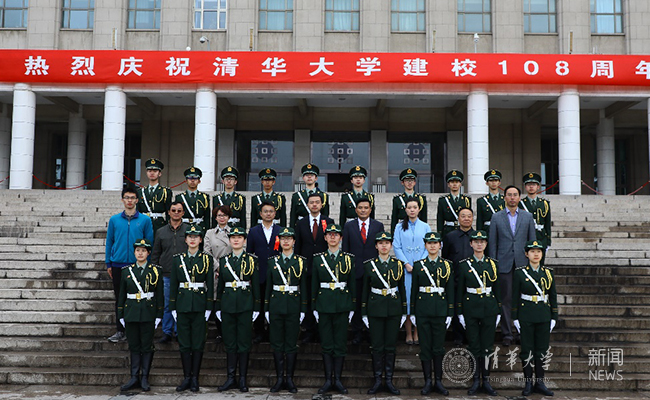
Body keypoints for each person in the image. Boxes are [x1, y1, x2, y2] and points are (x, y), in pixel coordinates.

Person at [488, 185, 536, 347]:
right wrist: (494, 264)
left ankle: (522, 332)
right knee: (506, 300)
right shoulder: (496, 217)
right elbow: (493, 243)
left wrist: (532, 264)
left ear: (519, 198)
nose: (512, 197)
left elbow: (532, 242)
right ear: (504, 198)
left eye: (515, 195)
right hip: (504, 264)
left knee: (523, 299)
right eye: (509, 195)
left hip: (523, 264)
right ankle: (507, 333)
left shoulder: (528, 217)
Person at [215, 226, 260, 393]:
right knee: (230, 342)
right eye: (233, 237)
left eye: (239, 237)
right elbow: (220, 287)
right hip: (228, 305)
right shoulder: (224, 261)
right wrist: (218, 306)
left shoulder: (251, 260)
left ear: (244, 241)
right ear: (229, 240)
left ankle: (242, 379)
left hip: (245, 305)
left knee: (244, 342)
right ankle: (230, 378)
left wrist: (256, 307)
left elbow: (255, 286)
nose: (236, 240)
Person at [169, 225, 214, 392]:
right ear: (186, 240)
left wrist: (209, 306)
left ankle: (195, 378)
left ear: (200, 240)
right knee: (184, 343)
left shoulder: (206, 259)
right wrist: (173, 306)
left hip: (200, 305)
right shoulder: (177, 259)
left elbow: (210, 284)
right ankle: (186, 377)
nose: (193, 239)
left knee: (198, 343)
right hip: (182, 304)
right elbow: (174, 284)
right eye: (190, 237)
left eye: (196, 237)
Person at [106, 187, 154, 343]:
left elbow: (150, 242)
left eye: (132, 197)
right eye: (127, 197)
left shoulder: (145, 220)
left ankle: (136, 330)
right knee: (120, 299)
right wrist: (108, 262)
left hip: (137, 265)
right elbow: (109, 241)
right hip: (118, 264)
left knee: (137, 298)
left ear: (137, 200)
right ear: (122, 200)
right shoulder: (114, 220)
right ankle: (120, 330)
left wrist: (147, 263)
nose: (129, 200)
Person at [312, 224, 355, 395]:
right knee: (327, 344)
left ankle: (337, 379)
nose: (332, 237)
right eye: (329, 234)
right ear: (325, 238)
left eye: (336, 235)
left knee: (340, 343)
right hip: (324, 305)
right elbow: (314, 284)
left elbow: (352, 284)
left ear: (341, 238)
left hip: (342, 305)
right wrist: (314, 306)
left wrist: (352, 306)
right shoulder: (318, 259)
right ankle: (328, 380)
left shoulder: (348, 259)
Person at [362, 231, 407, 396]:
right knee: (377, 346)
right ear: (376, 246)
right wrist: (364, 312)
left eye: (386, 243)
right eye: (381, 243)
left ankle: (389, 380)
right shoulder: (369, 265)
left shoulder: (398, 264)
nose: (384, 246)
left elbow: (401, 288)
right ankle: (377, 380)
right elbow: (365, 290)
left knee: (390, 346)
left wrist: (404, 311)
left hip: (393, 309)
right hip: (375, 308)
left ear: (391, 246)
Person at [457, 231, 500, 396]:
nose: (479, 244)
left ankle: (486, 380)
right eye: (476, 241)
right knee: (474, 345)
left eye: (482, 241)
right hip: (471, 307)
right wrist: (460, 312)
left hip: (489, 307)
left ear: (486, 244)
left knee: (487, 346)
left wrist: (498, 309)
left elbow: (497, 289)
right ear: (471, 244)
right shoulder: (464, 265)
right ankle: (475, 380)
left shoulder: (493, 264)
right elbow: (460, 289)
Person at [117, 239, 163, 392]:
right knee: (134, 345)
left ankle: (144, 378)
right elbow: (122, 295)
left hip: (148, 312)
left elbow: (159, 295)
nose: (140, 253)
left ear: (148, 253)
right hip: (131, 312)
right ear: (134, 252)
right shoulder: (126, 271)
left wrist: (159, 314)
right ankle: (134, 377)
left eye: (143, 251)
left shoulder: (155, 270)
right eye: (138, 250)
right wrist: (121, 314)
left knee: (147, 345)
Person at [265, 227, 308, 393]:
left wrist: (303, 308)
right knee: (277, 343)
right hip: (276, 305)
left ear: (294, 241)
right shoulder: (272, 261)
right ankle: (279, 379)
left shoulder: (300, 261)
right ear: (279, 241)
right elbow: (268, 286)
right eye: (283, 239)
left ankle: (289, 379)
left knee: (291, 343)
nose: (286, 241)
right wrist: (266, 308)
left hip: (293, 305)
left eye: (289, 238)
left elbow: (303, 286)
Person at [410, 232, 454, 396]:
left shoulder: (447, 265)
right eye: (429, 243)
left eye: (435, 243)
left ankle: (439, 381)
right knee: (425, 347)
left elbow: (450, 289)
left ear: (440, 245)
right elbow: (414, 290)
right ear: (425, 245)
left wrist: (450, 312)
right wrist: (412, 312)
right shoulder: (419, 265)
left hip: (440, 310)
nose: (433, 246)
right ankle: (428, 381)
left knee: (438, 347)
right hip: (423, 310)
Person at [512, 240, 557, 397]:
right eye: (532, 251)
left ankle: (540, 382)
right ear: (526, 254)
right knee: (527, 350)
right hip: (526, 315)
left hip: (543, 315)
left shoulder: (548, 273)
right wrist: (515, 317)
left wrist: (554, 316)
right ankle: (528, 383)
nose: (536, 254)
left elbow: (552, 296)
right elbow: (514, 296)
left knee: (541, 350)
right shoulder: (520, 273)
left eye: (539, 251)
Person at [341, 197, 385, 345]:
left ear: (370, 210)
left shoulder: (378, 226)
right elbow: (346, 250)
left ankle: (372, 332)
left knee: (372, 303)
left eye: (366, 208)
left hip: (373, 272)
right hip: (356, 271)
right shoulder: (349, 226)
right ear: (356, 210)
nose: (363, 210)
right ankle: (357, 332)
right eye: (360, 208)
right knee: (357, 302)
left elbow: (381, 249)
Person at [294, 192, 334, 344]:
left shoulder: (328, 221)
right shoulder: (301, 223)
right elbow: (298, 246)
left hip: (324, 268)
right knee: (309, 299)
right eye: (312, 202)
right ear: (307, 205)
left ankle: (322, 331)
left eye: (317, 202)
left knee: (322, 299)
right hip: (307, 268)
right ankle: (309, 331)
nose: (315, 205)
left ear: (322, 204)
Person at [393, 198, 431, 345]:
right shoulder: (399, 227)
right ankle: (408, 332)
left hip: (421, 268)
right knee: (408, 300)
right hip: (406, 269)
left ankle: (418, 332)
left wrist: (420, 264)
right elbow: (397, 246)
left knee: (419, 300)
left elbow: (429, 245)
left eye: (415, 207)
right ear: (406, 210)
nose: (412, 210)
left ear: (419, 209)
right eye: (409, 207)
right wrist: (406, 263)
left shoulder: (425, 226)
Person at [151, 201, 188, 343]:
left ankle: (179, 331)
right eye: (173, 210)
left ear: (183, 213)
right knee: (167, 304)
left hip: (184, 275)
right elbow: (155, 253)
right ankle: (167, 331)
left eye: (179, 210)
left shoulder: (189, 230)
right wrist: (155, 271)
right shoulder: (161, 231)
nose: (176, 213)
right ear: (169, 212)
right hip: (166, 274)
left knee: (181, 305)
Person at [247, 201, 282, 343]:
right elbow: (249, 253)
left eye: (271, 211)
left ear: (275, 213)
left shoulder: (280, 230)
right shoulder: (254, 231)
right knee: (259, 303)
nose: (268, 214)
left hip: (276, 274)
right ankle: (259, 332)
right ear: (260, 214)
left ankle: (274, 332)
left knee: (275, 304)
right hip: (259, 273)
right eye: (265, 211)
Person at [442, 207, 475, 345]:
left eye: (469, 216)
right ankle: (458, 337)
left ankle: (471, 336)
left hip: (473, 281)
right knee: (456, 309)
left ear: (472, 218)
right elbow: (445, 257)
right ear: (458, 218)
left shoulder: (478, 237)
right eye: (463, 216)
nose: (466, 218)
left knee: (471, 310)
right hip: (455, 279)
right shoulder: (450, 236)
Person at [203, 205, 233, 345]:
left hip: (230, 271)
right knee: (217, 302)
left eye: (225, 215)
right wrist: (218, 267)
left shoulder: (233, 232)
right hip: (215, 271)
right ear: (215, 217)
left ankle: (229, 332)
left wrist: (227, 268)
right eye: (219, 215)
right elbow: (207, 252)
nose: (222, 218)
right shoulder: (210, 233)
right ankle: (220, 332)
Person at [519, 172, 552, 263]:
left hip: (541, 237)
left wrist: (548, 241)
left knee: (540, 263)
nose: (531, 187)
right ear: (525, 187)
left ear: (538, 187)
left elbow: (547, 223)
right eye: (528, 185)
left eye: (533, 184)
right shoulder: (521, 204)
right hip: (526, 237)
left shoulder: (544, 203)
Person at [136, 158, 173, 239]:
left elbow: (168, 212)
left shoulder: (166, 191)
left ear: (160, 173)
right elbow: (137, 210)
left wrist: (168, 227)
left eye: (155, 171)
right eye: (149, 171)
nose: (152, 173)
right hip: (143, 223)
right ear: (146, 173)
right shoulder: (140, 192)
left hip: (159, 224)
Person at [290, 163, 330, 228]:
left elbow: (325, 216)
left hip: (317, 226)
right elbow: (293, 217)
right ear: (303, 178)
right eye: (307, 175)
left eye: (312, 175)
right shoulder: (297, 196)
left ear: (316, 178)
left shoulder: (323, 196)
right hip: (302, 226)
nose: (309, 177)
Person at [437, 169, 472, 239]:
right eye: (452, 182)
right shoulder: (443, 200)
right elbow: (440, 219)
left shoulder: (466, 199)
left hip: (462, 230)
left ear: (460, 184)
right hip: (448, 230)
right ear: (448, 184)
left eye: (457, 182)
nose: (454, 184)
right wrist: (440, 234)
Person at [391, 168, 427, 233]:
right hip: (402, 228)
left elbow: (424, 218)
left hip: (417, 228)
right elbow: (394, 219)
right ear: (402, 182)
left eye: (412, 180)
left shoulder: (421, 199)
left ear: (415, 182)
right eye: (407, 180)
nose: (409, 183)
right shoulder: (397, 199)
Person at [175, 167, 211, 232]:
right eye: (190, 178)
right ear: (186, 181)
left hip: (199, 227)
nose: (192, 181)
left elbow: (207, 216)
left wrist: (207, 230)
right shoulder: (180, 197)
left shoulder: (204, 197)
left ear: (199, 181)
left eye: (195, 178)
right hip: (184, 227)